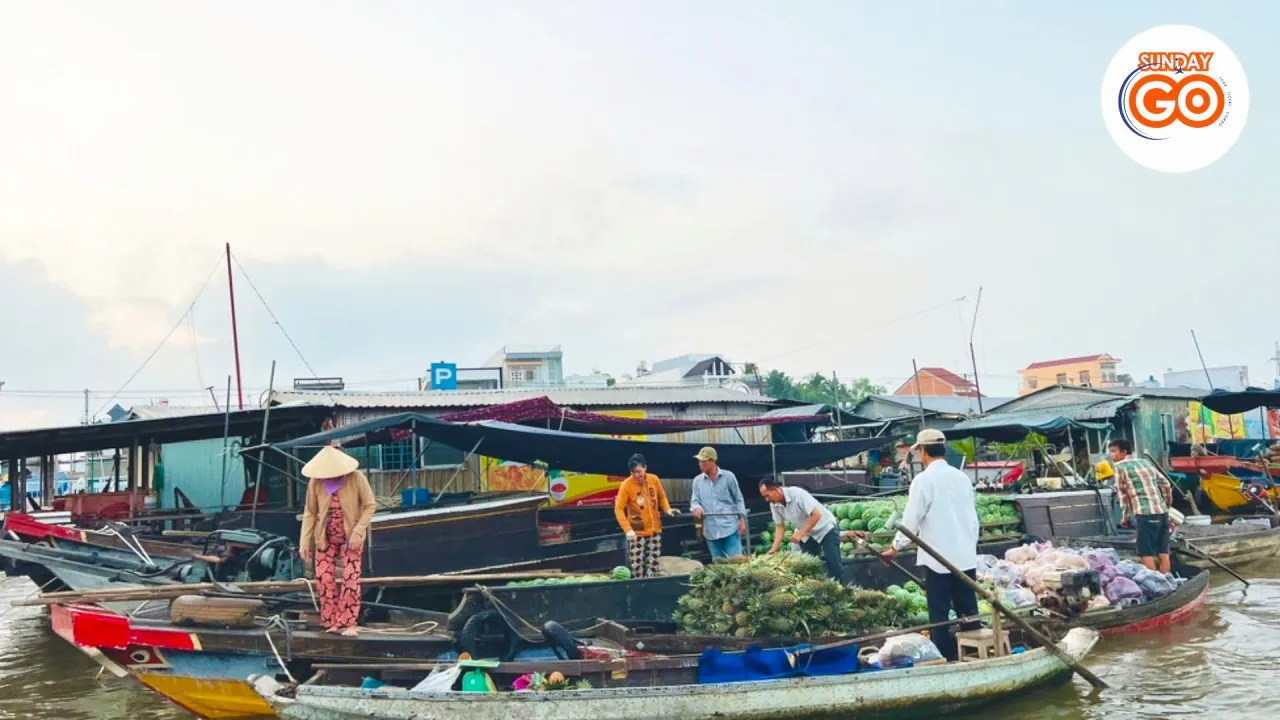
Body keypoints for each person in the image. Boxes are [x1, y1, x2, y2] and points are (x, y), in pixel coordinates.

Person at [882, 429, 980, 662]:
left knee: (940, 614)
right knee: (969, 610)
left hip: (938, 559)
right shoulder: (962, 477)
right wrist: (969, 546)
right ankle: (975, 653)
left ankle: (946, 658)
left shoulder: (923, 480)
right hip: (964, 556)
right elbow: (973, 517)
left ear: (923, 452)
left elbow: (911, 520)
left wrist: (896, 548)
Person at [298, 445, 377, 637]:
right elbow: (310, 513)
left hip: (352, 537)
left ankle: (349, 623)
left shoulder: (356, 478)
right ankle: (332, 621)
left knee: (351, 578)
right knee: (324, 578)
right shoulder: (316, 483)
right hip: (324, 537)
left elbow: (370, 505)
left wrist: (359, 531)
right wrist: (304, 542)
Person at [759, 477, 843, 580]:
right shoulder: (774, 505)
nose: (766, 499)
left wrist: (801, 533)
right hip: (807, 533)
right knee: (808, 565)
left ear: (775, 489)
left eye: (767, 495)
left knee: (833, 563)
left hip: (825, 528)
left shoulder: (797, 494)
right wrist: (774, 549)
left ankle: (843, 590)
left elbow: (816, 515)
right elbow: (779, 526)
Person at [1109, 438, 1173, 573]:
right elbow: (1166, 484)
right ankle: (1167, 581)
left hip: (1145, 514)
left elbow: (1122, 494)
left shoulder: (1120, 467)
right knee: (1163, 552)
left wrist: (1124, 516)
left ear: (1124, 452)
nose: (1111, 455)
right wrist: (1166, 504)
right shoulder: (1146, 462)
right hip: (1162, 513)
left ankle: (1156, 584)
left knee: (1145, 553)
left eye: (1113, 451)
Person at [614, 453, 679, 578]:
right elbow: (618, 509)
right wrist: (628, 530)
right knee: (637, 566)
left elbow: (661, 497)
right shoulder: (626, 485)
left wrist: (668, 509)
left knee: (653, 565)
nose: (636, 475)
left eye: (639, 471)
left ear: (645, 468)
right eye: (633, 472)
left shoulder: (653, 479)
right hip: (636, 533)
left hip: (655, 530)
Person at [689, 447, 748, 560]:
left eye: (704, 461)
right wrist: (697, 507)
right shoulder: (697, 481)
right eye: (699, 461)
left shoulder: (728, 477)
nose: (701, 464)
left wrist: (742, 520)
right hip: (710, 530)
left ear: (713, 461)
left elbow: (738, 499)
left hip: (730, 527)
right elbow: (694, 501)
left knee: (736, 563)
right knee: (718, 567)